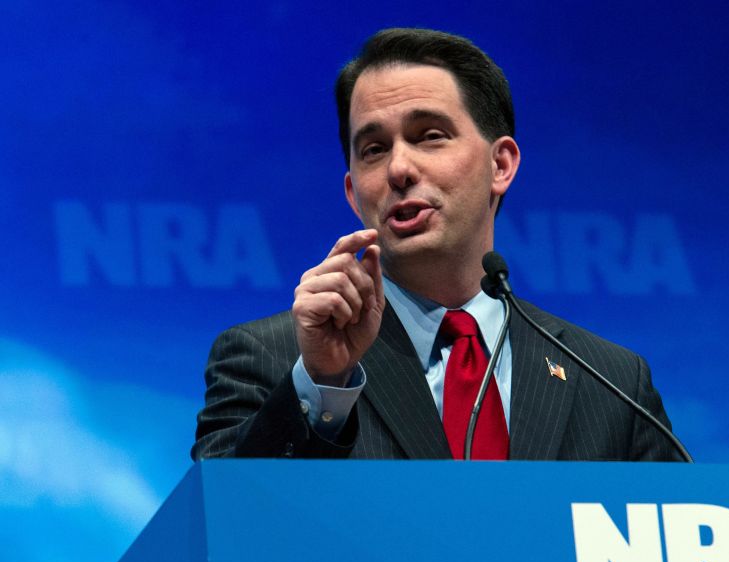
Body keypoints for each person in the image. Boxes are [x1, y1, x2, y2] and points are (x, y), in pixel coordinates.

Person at [191, 28, 683, 462]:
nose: (399, 168)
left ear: (501, 165)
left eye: (429, 136)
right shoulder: (272, 358)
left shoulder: (612, 383)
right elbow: (223, 529)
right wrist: (324, 383)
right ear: (352, 192)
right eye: (374, 149)